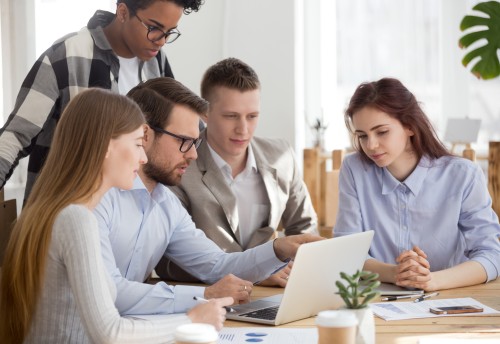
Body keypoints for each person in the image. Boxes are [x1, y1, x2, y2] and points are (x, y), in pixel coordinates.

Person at [0, 88, 232, 344]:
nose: (142, 157)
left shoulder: (62, 212)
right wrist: (192, 321)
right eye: (136, 144)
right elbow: (110, 333)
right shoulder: (77, 219)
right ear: (106, 146)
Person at [94, 77, 323, 317]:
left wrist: (278, 249)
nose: (193, 154)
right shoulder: (99, 196)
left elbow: (218, 265)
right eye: (184, 141)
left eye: (195, 142)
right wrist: (203, 297)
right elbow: (108, 292)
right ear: (146, 135)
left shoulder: (165, 203)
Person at [0, 0, 203, 200]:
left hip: (127, 221)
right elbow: (15, 137)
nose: (161, 41)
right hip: (66, 213)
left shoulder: (157, 63)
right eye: (154, 28)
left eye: (170, 32)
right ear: (123, 12)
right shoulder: (67, 55)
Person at [156, 58, 318, 287]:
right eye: (231, 116)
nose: (243, 129)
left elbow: (305, 231)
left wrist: (288, 268)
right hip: (203, 294)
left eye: (252, 116)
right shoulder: (178, 164)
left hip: (273, 294)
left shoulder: (281, 156)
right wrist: (255, 271)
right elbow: (167, 262)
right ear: (205, 113)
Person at [334, 77, 500, 292]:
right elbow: (346, 253)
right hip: (376, 301)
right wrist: (395, 273)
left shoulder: (463, 175)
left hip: (449, 300)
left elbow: (492, 255)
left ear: (410, 126)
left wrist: (431, 280)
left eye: (382, 132)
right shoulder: (354, 169)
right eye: (362, 136)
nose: (371, 145)